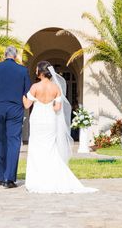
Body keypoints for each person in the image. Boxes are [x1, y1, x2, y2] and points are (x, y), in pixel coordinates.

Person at [23, 61, 96, 193]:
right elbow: (57, 108)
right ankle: (53, 177)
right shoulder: (56, 88)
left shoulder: (35, 86)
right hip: (50, 120)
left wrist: (23, 96)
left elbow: (27, 105)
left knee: (37, 147)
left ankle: (37, 179)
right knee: (51, 147)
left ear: (40, 72)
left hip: (38, 120)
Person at [0, 46, 31, 189]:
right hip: (16, 107)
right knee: (13, 141)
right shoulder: (22, 70)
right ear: (15, 56)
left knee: (0, 141)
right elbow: (27, 91)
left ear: (4, 55)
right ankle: (9, 178)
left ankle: (1, 176)